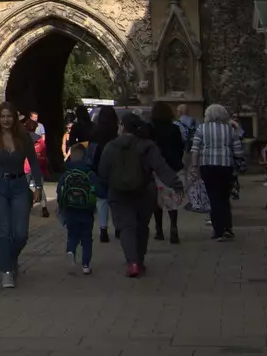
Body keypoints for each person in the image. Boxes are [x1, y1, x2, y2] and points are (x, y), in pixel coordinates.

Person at [97, 114, 183, 278]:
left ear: (123, 126)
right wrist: (176, 184)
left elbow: (103, 171)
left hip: (118, 193)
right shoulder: (147, 145)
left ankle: (132, 262)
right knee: (141, 227)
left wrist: (108, 187)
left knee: (126, 227)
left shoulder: (111, 146)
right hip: (145, 190)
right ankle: (140, 260)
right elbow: (161, 168)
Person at [0, 101, 45, 290]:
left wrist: (38, 186)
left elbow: (33, 161)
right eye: (3, 116)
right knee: (4, 231)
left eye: (9, 116)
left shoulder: (23, 138)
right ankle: (6, 271)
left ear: (15, 119)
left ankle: (10, 257)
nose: (6, 119)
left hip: (19, 186)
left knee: (21, 233)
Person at [190, 103, 241, 241]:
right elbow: (237, 149)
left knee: (213, 197)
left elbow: (195, 149)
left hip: (208, 166)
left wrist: (194, 167)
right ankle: (227, 227)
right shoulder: (230, 130)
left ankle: (218, 230)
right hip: (226, 165)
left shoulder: (201, 129)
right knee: (224, 197)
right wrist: (238, 165)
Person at [55, 141, 97, 275]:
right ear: (85, 157)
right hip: (87, 210)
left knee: (72, 235)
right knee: (86, 238)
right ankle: (85, 265)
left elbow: (59, 190)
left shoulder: (67, 173)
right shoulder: (89, 173)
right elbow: (99, 190)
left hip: (70, 210)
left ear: (71, 156)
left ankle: (70, 251)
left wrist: (61, 206)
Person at [149, 102, 185, 244]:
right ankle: (173, 227)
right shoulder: (175, 129)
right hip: (171, 166)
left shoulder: (151, 129)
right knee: (171, 197)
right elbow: (180, 148)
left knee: (157, 199)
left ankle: (159, 230)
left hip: (156, 166)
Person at [86, 106, 119, 244]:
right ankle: (118, 228)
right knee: (116, 201)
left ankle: (103, 229)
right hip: (115, 170)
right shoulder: (116, 133)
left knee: (102, 200)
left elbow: (90, 153)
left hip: (99, 170)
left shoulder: (95, 133)